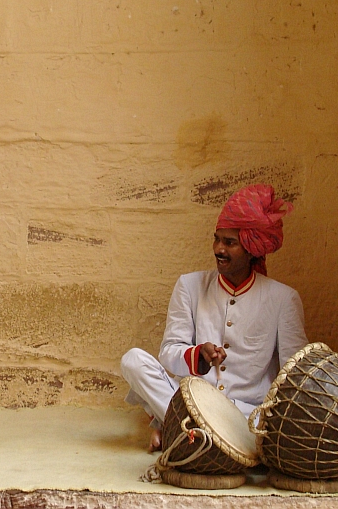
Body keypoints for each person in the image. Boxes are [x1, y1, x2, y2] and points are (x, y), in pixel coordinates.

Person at [121, 184, 308, 452]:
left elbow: (294, 375)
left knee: (261, 425)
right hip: (192, 401)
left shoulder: (283, 299)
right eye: (217, 239)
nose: (219, 249)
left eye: (230, 243)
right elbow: (169, 353)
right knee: (133, 361)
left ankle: (176, 427)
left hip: (244, 415)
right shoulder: (190, 285)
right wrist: (197, 356)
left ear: (252, 248)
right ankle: (184, 425)